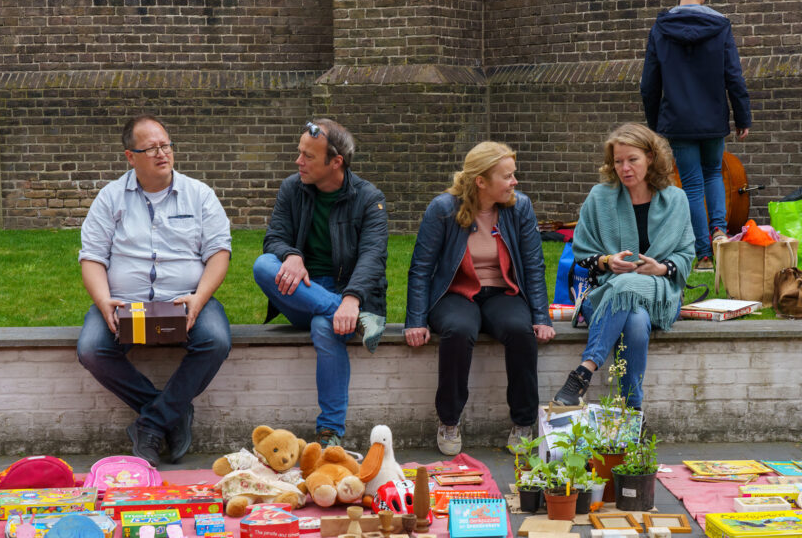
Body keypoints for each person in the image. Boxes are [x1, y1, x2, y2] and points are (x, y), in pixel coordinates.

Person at [77, 114, 232, 466]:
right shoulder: (110, 198)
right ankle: (172, 416)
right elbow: (92, 257)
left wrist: (199, 299)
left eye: (166, 145)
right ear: (131, 156)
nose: (163, 153)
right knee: (91, 349)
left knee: (216, 340)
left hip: (186, 300)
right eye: (151, 148)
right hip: (125, 304)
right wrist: (103, 301)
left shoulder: (199, 195)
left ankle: (151, 424)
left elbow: (219, 254)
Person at [405, 142, 556, 455]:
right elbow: (421, 268)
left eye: (514, 175)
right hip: (455, 291)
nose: (515, 182)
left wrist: (540, 317)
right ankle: (449, 420)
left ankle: (524, 423)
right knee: (459, 331)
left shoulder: (519, 207)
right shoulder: (443, 208)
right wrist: (416, 320)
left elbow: (533, 264)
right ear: (481, 182)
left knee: (520, 330)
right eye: (508, 176)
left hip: (502, 291)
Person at [253, 118, 387, 448]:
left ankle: (330, 433)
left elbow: (373, 256)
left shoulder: (368, 198)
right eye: (299, 153)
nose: (298, 162)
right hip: (305, 289)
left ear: (336, 162)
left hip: (348, 289)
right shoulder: (291, 188)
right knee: (262, 265)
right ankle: (352, 321)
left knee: (324, 327)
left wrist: (352, 298)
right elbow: (274, 238)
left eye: (308, 156)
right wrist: (291, 255)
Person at [554, 123, 694, 408]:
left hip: (661, 294)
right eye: (618, 161)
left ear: (650, 158)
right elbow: (582, 252)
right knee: (635, 318)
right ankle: (633, 412)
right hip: (603, 293)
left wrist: (660, 269)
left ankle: (584, 372)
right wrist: (607, 262)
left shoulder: (676, 199)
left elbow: (687, 255)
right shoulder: (599, 197)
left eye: (633, 159)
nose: (624, 168)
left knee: (627, 289)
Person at [640, 0, 752, 273]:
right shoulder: (721, 26)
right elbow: (734, 76)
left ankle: (703, 254)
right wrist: (742, 117)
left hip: (677, 119)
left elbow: (649, 84)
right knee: (714, 172)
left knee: (691, 184)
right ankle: (719, 232)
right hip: (714, 118)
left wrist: (654, 125)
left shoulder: (660, 28)